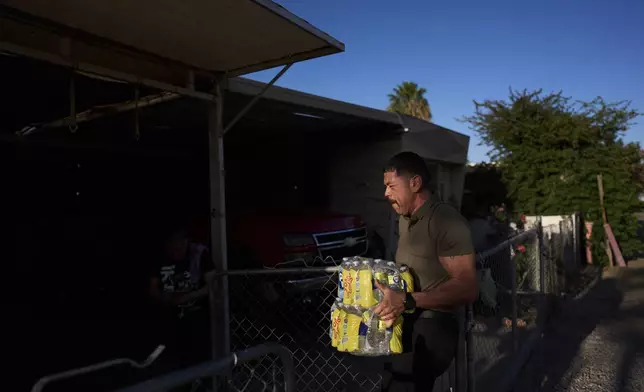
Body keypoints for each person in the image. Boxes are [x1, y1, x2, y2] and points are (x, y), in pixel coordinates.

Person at [375, 151, 478, 391]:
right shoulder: (404, 217)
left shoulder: (445, 220)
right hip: (407, 321)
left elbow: (467, 286)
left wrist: (408, 300)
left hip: (434, 326)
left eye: (391, 186)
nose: (385, 193)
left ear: (415, 183)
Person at [148, 227, 214, 371]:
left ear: (187, 242)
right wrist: (164, 298)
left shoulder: (199, 254)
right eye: (173, 246)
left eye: (180, 244)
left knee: (197, 357)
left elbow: (213, 286)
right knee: (170, 359)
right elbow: (153, 288)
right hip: (167, 317)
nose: (176, 249)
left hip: (196, 315)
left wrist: (184, 298)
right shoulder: (160, 257)